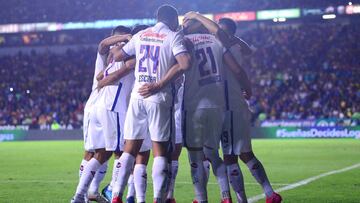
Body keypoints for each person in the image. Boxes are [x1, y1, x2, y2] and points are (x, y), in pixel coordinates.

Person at [109, 4, 192, 203]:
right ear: (173, 20)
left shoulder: (141, 35)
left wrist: (126, 41)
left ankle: (116, 196)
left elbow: (118, 55)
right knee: (161, 150)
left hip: (138, 97)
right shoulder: (173, 36)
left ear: (157, 18)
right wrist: (160, 83)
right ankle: (157, 199)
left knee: (130, 148)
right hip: (159, 97)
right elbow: (185, 64)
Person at [180, 12, 251, 202]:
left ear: (191, 25)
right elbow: (236, 68)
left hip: (193, 106)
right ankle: (226, 196)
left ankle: (201, 199)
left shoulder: (183, 40)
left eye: (187, 22)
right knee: (212, 154)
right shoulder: (216, 40)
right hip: (217, 106)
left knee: (196, 157)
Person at [218, 17, 283, 203]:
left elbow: (238, 70)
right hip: (238, 105)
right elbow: (249, 50)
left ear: (228, 33)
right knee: (246, 153)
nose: (216, 33)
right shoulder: (236, 47)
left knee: (229, 157)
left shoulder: (225, 50)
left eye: (220, 30)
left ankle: (240, 200)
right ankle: (271, 194)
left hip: (228, 106)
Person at [70, 25, 137, 203]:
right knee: (120, 152)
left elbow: (100, 76)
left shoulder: (112, 58)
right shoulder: (123, 56)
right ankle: (112, 191)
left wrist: (103, 79)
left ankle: (85, 194)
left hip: (96, 104)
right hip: (110, 105)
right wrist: (127, 39)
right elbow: (104, 47)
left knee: (96, 152)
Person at [100, 25, 153, 203]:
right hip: (131, 106)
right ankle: (120, 193)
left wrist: (102, 80)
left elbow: (105, 71)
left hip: (132, 107)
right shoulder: (133, 58)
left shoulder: (121, 56)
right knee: (132, 154)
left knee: (129, 153)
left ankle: (121, 194)